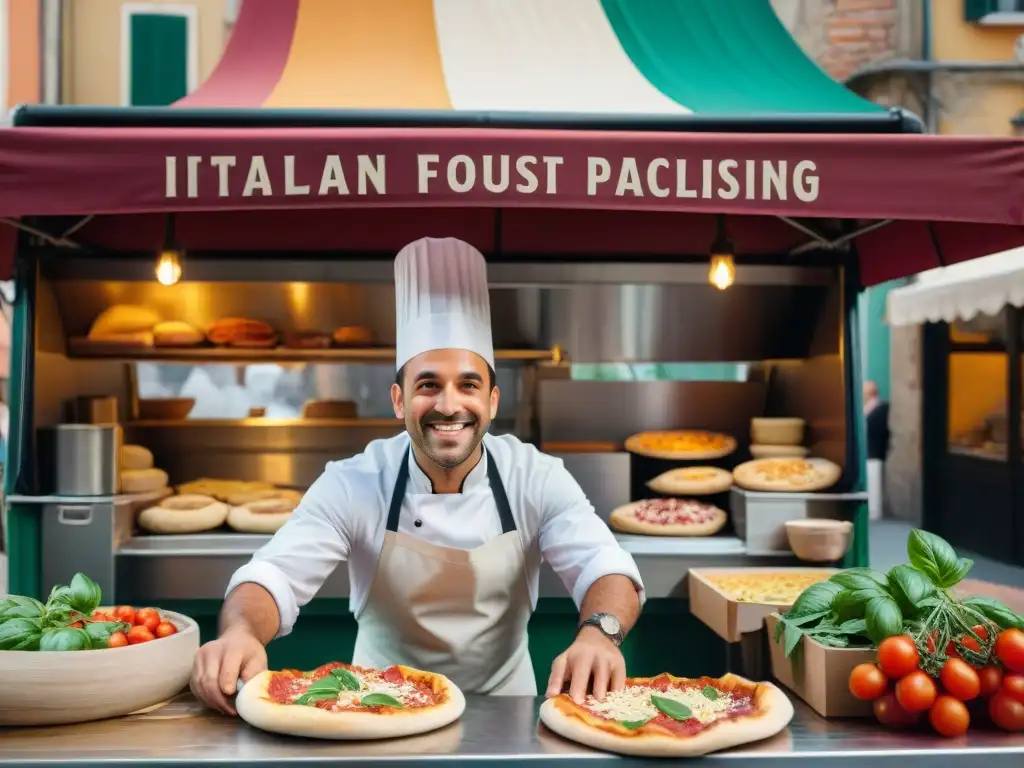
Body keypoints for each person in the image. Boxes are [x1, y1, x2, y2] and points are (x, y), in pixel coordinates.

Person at [190, 237, 645, 714]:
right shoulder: (354, 482)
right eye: (428, 385)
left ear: (492, 401)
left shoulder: (535, 477)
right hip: (379, 710)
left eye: (468, 385)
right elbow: (274, 574)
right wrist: (240, 633)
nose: (449, 405)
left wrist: (600, 633)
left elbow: (604, 564)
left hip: (505, 714)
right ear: (399, 400)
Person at [863, 380, 890, 520]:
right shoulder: (867, 408)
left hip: (874, 452)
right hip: (869, 452)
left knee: (875, 483)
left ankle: (875, 512)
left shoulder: (880, 409)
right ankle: (872, 511)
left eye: (865, 392)